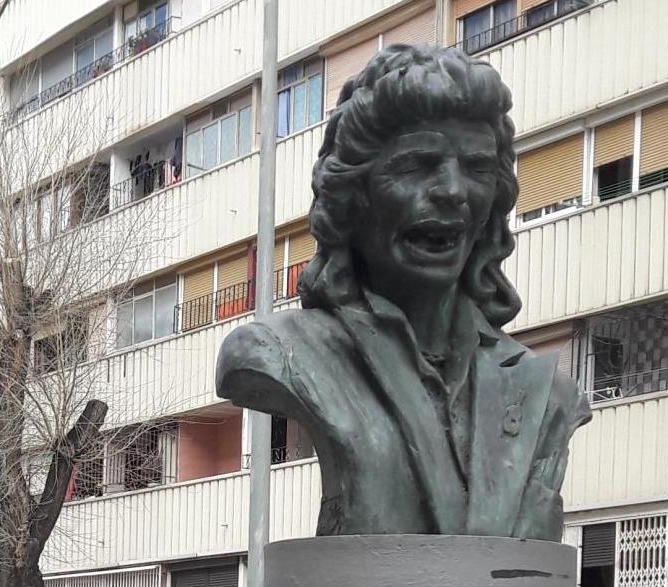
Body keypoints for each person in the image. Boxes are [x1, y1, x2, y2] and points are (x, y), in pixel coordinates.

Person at [216, 43, 589, 540]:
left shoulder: (547, 395)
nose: (453, 191)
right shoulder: (277, 353)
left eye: (477, 168)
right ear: (354, 195)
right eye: (418, 165)